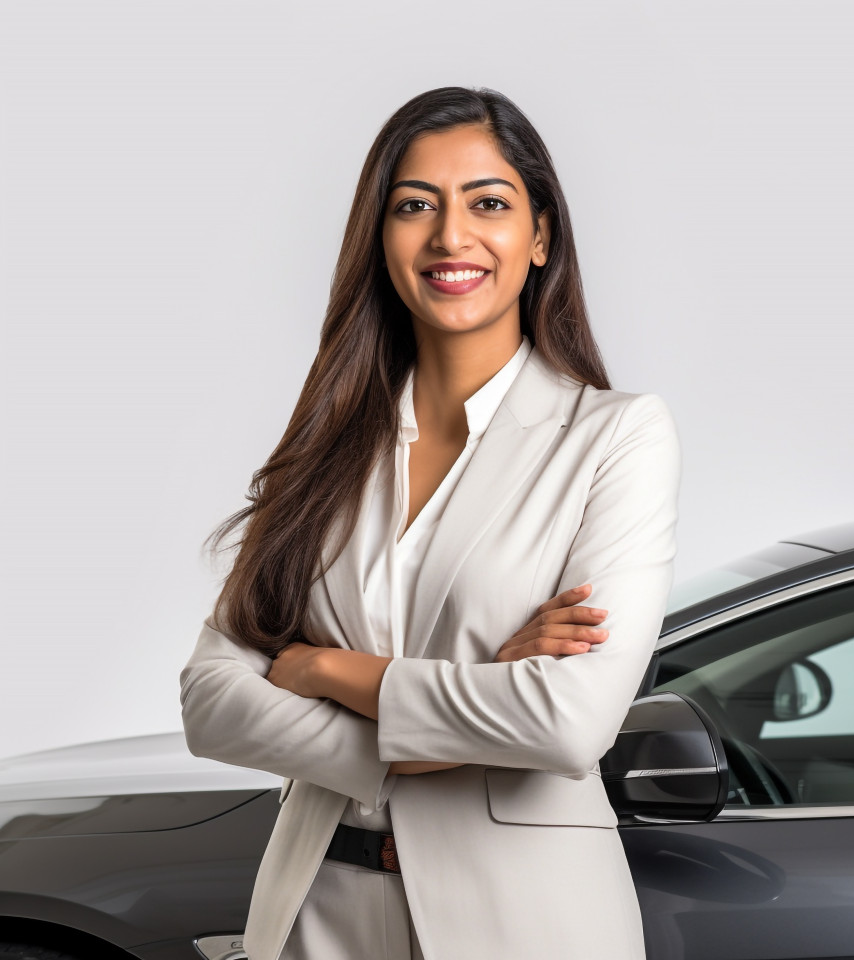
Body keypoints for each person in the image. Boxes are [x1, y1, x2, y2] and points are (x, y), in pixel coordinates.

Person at [179, 85, 681, 960]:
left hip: (523, 924)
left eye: (488, 203)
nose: (451, 237)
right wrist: (452, 719)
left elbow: (567, 724)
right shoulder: (325, 446)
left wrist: (326, 668)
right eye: (416, 206)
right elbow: (213, 703)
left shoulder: (616, 437)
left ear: (540, 237)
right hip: (312, 913)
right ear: (381, 239)